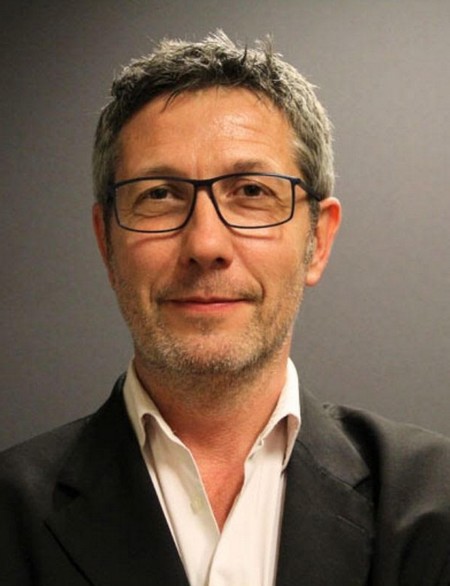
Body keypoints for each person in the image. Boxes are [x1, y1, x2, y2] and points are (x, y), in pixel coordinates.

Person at [1, 31, 449, 586]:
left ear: (318, 240)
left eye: (252, 192)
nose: (205, 244)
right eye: (160, 194)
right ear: (106, 243)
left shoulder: (436, 504)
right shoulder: (8, 516)